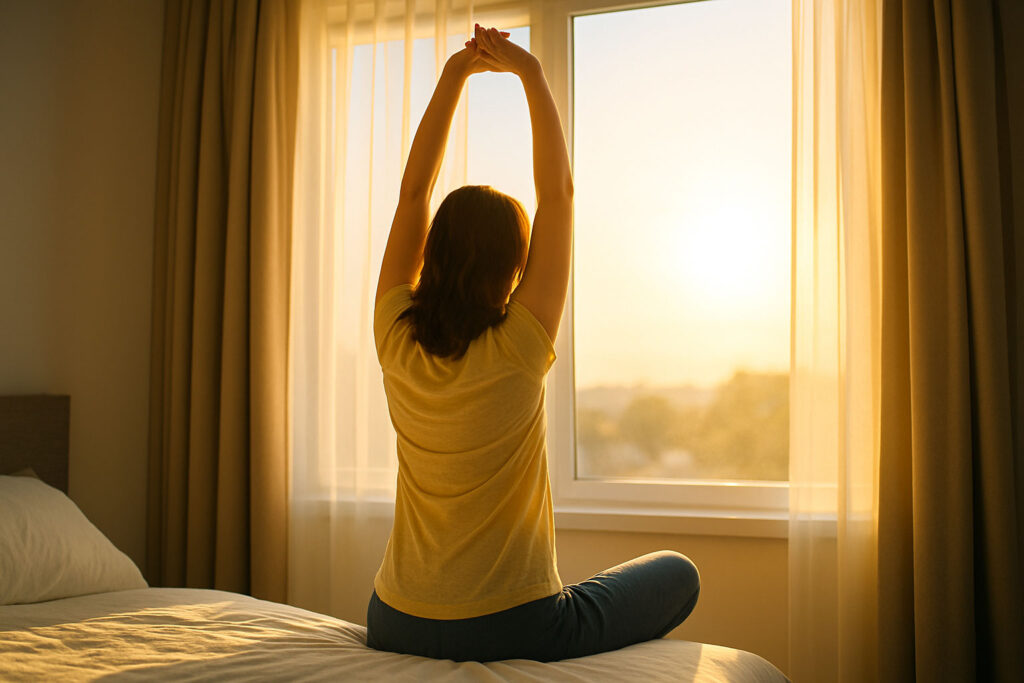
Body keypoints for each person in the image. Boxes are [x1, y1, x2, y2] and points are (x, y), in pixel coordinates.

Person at [367, 24, 700, 662]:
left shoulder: (394, 336)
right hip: (512, 626)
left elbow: (413, 195)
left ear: (431, 254)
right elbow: (560, 197)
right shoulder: (519, 344)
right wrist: (532, 76)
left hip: (396, 618)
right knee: (677, 572)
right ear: (515, 269)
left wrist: (454, 76)